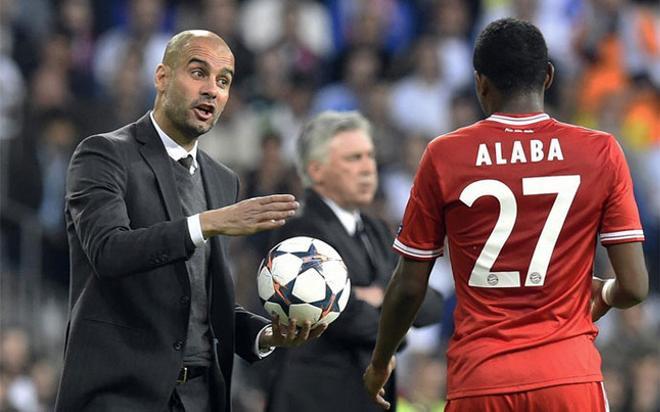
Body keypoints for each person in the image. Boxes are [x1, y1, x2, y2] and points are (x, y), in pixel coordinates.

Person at [364, 18, 649, 411]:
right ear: (548, 76)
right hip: (568, 377)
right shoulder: (599, 151)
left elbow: (410, 285)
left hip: (481, 380)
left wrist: (380, 362)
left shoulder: (445, 156)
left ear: (481, 83)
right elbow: (634, 286)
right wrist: (604, 292)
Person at [55, 30, 325, 412]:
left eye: (223, 81)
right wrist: (205, 223)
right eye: (198, 73)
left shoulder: (221, 179)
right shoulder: (103, 155)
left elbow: (203, 300)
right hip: (120, 396)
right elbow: (108, 251)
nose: (212, 90)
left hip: (200, 397)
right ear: (162, 77)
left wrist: (266, 335)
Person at [264, 111, 443, 412]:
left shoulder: (375, 229)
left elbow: (429, 302)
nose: (368, 168)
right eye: (353, 158)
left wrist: (375, 297)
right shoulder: (301, 232)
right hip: (315, 400)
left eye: (370, 156)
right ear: (316, 170)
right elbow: (340, 320)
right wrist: (395, 309)